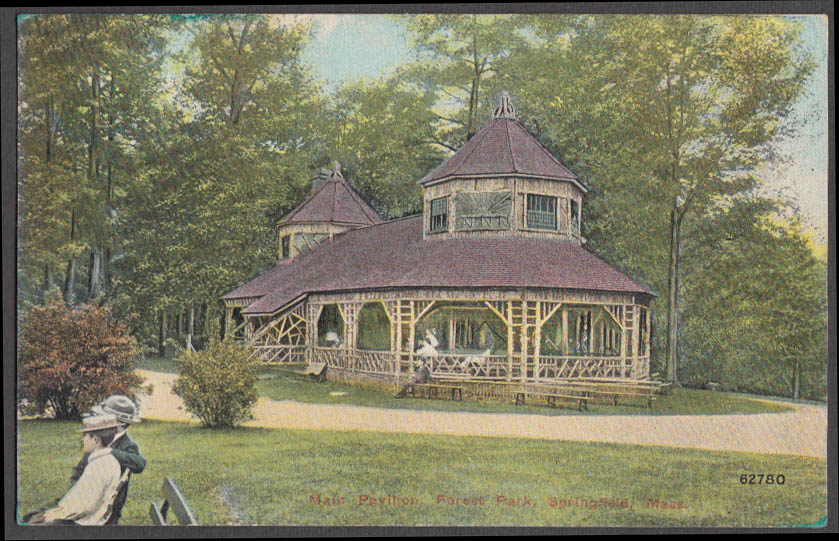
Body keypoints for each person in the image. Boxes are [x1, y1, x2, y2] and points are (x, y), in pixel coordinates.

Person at [26, 414, 123, 525]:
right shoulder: (110, 461)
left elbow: (83, 507)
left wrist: (51, 515)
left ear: (95, 439)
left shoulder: (98, 466)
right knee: (34, 515)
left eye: (85, 436)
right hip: (91, 518)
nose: (82, 440)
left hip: (83, 522)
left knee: (31, 520)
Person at [70, 395, 146, 525]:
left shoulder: (127, 445)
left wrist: (109, 451)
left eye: (104, 418)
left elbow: (140, 463)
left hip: (105, 510)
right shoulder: (98, 436)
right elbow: (81, 468)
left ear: (119, 424)